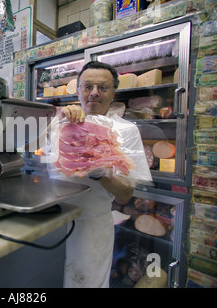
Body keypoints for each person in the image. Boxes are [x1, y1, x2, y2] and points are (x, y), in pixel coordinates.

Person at [55, 61, 151, 288]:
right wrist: (56, 121)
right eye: (87, 87)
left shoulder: (126, 131)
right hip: (50, 220)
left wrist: (101, 173)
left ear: (113, 93)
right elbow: (30, 148)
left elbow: (126, 194)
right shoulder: (62, 122)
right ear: (78, 90)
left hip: (92, 225)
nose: (94, 93)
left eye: (103, 87)